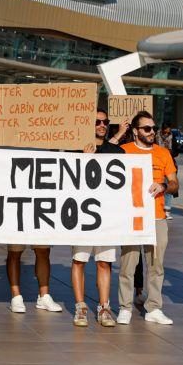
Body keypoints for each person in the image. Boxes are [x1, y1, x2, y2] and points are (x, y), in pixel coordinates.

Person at [118, 110, 178, 325]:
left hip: (157, 216)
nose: (152, 132)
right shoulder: (123, 151)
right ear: (135, 131)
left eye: (153, 128)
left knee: (156, 265)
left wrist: (163, 185)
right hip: (132, 216)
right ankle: (125, 307)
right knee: (128, 263)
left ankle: (153, 308)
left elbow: (174, 183)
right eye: (146, 128)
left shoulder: (163, 153)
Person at [71, 110, 124, 327]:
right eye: (97, 122)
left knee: (104, 262)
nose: (101, 125)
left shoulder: (117, 152)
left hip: (107, 216)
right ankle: (80, 307)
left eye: (104, 122)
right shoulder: (76, 150)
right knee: (79, 260)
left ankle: (104, 308)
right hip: (82, 215)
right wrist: (83, 159)